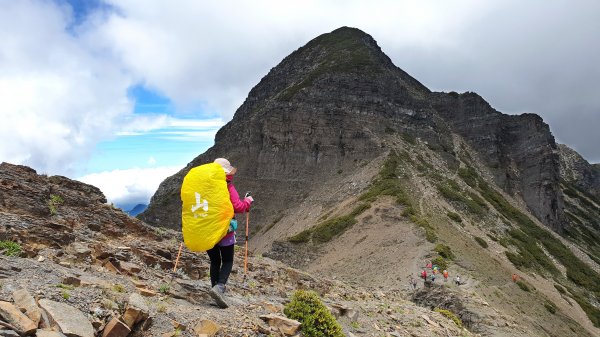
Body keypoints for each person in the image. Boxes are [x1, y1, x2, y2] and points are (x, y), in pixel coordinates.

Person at [207, 158, 253, 308]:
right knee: (227, 260)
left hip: (209, 229)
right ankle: (219, 288)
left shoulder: (205, 185)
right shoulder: (227, 186)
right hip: (225, 230)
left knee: (215, 261)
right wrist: (248, 201)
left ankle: (214, 287)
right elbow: (239, 207)